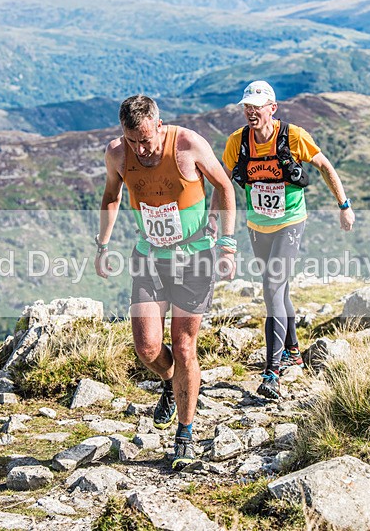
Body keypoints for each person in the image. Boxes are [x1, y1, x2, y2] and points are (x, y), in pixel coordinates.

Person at [95, 94, 236, 471]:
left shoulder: (188, 145)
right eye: (131, 140)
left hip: (195, 258)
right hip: (150, 257)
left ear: (160, 125)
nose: (139, 149)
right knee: (146, 347)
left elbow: (224, 187)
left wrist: (226, 245)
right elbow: (112, 193)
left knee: (184, 346)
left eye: (145, 140)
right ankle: (170, 382)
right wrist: (103, 244)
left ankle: (185, 435)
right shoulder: (118, 154)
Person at [222, 80, 355, 399]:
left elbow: (325, 166)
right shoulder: (237, 142)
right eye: (247, 106)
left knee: (271, 288)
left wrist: (344, 205)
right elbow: (223, 186)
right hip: (257, 225)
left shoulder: (293, 136)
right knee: (278, 290)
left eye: (257, 105)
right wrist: (218, 232)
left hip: (291, 222)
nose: (251, 111)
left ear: (272, 107)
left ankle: (272, 372)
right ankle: (293, 350)